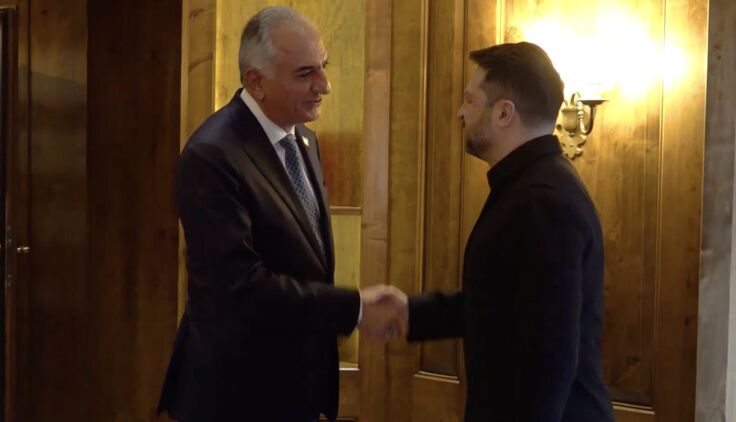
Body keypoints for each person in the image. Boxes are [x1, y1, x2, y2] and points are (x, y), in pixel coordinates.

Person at [157, 7, 405, 421]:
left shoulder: (303, 139)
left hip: (294, 388)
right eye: (305, 74)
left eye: (323, 66)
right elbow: (239, 287)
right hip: (236, 397)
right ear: (256, 81)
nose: (324, 85)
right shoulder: (212, 155)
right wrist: (355, 308)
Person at [403, 42, 615, 421]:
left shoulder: (541, 200)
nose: (461, 111)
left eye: (470, 100)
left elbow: (550, 356)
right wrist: (407, 313)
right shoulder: (532, 185)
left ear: (504, 113)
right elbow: (500, 303)